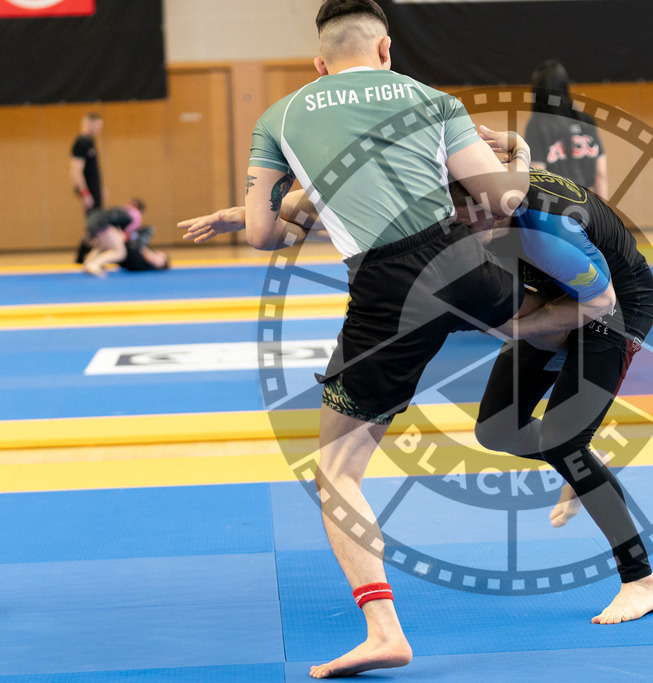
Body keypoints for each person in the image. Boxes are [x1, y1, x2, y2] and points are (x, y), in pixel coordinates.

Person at [180, 1, 531, 677]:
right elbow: (500, 200)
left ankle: (383, 628)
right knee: (565, 309)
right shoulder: (433, 99)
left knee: (336, 470)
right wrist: (519, 153)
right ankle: (584, 392)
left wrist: (262, 196)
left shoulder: (281, 115)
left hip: (388, 288)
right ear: (385, 50)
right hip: (459, 264)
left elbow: (265, 235)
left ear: (319, 62)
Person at [454, 167, 653, 625]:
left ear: (496, 208)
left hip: (614, 308)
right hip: (560, 292)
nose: (464, 234)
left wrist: (516, 328)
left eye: (470, 225)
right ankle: (581, 459)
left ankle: (642, 581)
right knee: (496, 428)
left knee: (565, 443)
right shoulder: (485, 191)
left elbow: (599, 304)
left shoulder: (548, 233)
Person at [525, 60, 608, 199]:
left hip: (556, 209)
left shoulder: (536, 125)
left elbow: (538, 177)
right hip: (587, 204)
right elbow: (601, 174)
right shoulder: (585, 120)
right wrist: (603, 214)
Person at [71, 112, 105, 263]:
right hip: (88, 191)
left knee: (93, 225)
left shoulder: (91, 141)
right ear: (89, 124)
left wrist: (101, 187)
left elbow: (93, 170)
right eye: (97, 126)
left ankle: (83, 256)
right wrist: (85, 193)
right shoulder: (80, 142)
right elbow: (75, 171)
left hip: (94, 189)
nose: (99, 129)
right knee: (94, 225)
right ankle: (83, 256)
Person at [81, 199, 146, 278]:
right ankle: (94, 264)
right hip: (103, 225)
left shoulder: (123, 208)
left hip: (92, 224)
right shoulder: (136, 215)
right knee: (120, 252)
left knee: (104, 245)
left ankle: (89, 261)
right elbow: (123, 235)